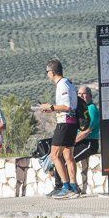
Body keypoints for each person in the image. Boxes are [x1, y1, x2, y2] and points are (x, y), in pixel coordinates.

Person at [40, 59, 81, 199]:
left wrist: (50, 107)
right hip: (72, 122)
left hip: (65, 123)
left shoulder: (62, 85)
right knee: (68, 156)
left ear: (52, 72)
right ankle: (74, 187)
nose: (47, 75)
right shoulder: (69, 82)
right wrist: (52, 110)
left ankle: (66, 186)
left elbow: (67, 106)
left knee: (55, 155)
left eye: (47, 72)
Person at [51, 86, 101, 195]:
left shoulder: (91, 109)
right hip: (79, 142)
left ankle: (66, 187)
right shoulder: (81, 109)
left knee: (65, 161)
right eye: (79, 94)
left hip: (88, 143)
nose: (81, 96)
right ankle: (61, 187)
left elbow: (86, 131)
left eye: (84, 93)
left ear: (90, 96)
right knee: (60, 158)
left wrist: (70, 142)